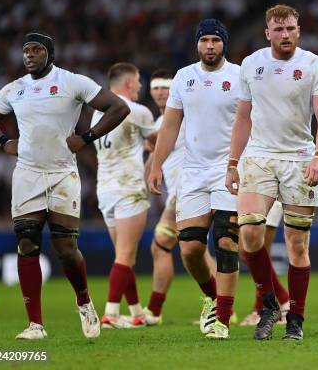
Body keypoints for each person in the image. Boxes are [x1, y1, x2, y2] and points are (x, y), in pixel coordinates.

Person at [0, 31, 130, 339]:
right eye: (26, 51)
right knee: (27, 243)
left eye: (36, 50)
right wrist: (3, 141)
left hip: (62, 173)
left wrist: (86, 137)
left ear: (49, 53)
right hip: (27, 173)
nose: (30, 55)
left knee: (65, 247)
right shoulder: (15, 89)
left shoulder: (73, 81)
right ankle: (35, 325)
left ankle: (84, 302)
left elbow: (118, 107)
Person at [226, 4, 318, 341]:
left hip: (301, 159)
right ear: (267, 32)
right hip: (259, 156)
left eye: (290, 29)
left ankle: (296, 319)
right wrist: (232, 162)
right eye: (278, 29)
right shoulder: (251, 64)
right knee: (249, 234)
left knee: (297, 245)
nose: (285, 35)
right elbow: (243, 117)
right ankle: (270, 304)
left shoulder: (314, 64)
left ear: (298, 30)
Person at [149, 19, 240, 340]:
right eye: (205, 41)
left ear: (224, 44)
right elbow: (171, 125)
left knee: (227, 242)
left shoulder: (239, 76)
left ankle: (223, 320)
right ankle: (212, 297)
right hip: (193, 172)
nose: (210, 46)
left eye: (216, 40)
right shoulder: (184, 78)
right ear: (197, 44)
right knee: (189, 248)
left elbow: (249, 121)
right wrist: (156, 164)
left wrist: (240, 162)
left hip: (230, 171)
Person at [143, 69, 217, 324]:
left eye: (166, 87)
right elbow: (156, 156)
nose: (160, 92)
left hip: (190, 188)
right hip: (177, 192)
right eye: (156, 88)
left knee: (161, 244)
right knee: (198, 250)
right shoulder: (157, 123)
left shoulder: (185, 116)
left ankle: (153, 311)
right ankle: (221, 304)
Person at [93, 63, 157, 329]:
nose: (141, 86)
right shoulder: (138, 111)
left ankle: (137, 312)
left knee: (123, 254)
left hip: (104, 189)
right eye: (139, 81)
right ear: (129, 83)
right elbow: (158, 140)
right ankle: (109, 314)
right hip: (128, 187)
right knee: (125, 256)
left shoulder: (97, 113)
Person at [239, 200, 290, 327]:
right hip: (249, 191)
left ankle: (260, 308)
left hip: (268, 192)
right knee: (247, 251)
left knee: (260, 253)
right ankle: (284, 300)